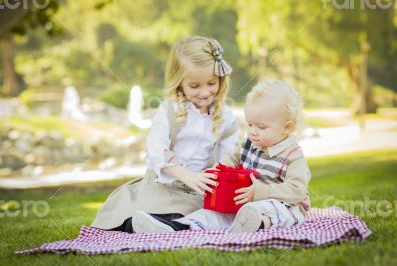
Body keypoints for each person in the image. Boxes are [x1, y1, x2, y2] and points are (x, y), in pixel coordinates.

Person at [90, 36, 238, 233]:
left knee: (201, 213)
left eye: (211, 83)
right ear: (179, 83)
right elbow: (156, 149)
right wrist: (186, 176)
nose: (204, 92)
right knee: (142, 207)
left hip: (199, 189)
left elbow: (228, 158)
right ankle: (147, 222)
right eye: (194, 86)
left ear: (220, 79)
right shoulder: (170, 111)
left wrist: (215, 175)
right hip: (164, 184)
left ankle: (162, 225)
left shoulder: (226, 118)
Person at [132, 79, 311, 233]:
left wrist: (261, 192)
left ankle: (256, 224)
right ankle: (175, 227)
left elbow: (297, 190)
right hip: (245, 200)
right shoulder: (251, 143)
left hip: (284, 204)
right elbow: (233, 157)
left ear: (287, 128)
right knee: (214, 213)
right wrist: (218, 169)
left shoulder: (293, 156)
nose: (252, 132)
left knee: (271, 210)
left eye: (261, 127)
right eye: (249, 125)